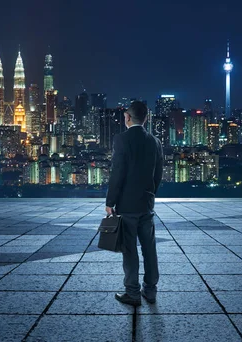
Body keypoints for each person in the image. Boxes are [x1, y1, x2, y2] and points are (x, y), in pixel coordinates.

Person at [105, 100, 163, 306]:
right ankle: (151, 290)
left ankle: (132, 292)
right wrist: (150, 194)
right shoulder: (154, 141)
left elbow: (117, 172)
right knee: (149, 248)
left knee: (129, 249)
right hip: (146, 204)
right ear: (145, 118)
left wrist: (111, 200)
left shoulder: (121, 139)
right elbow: (158, 174)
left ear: (128, 117)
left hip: (127, 204)